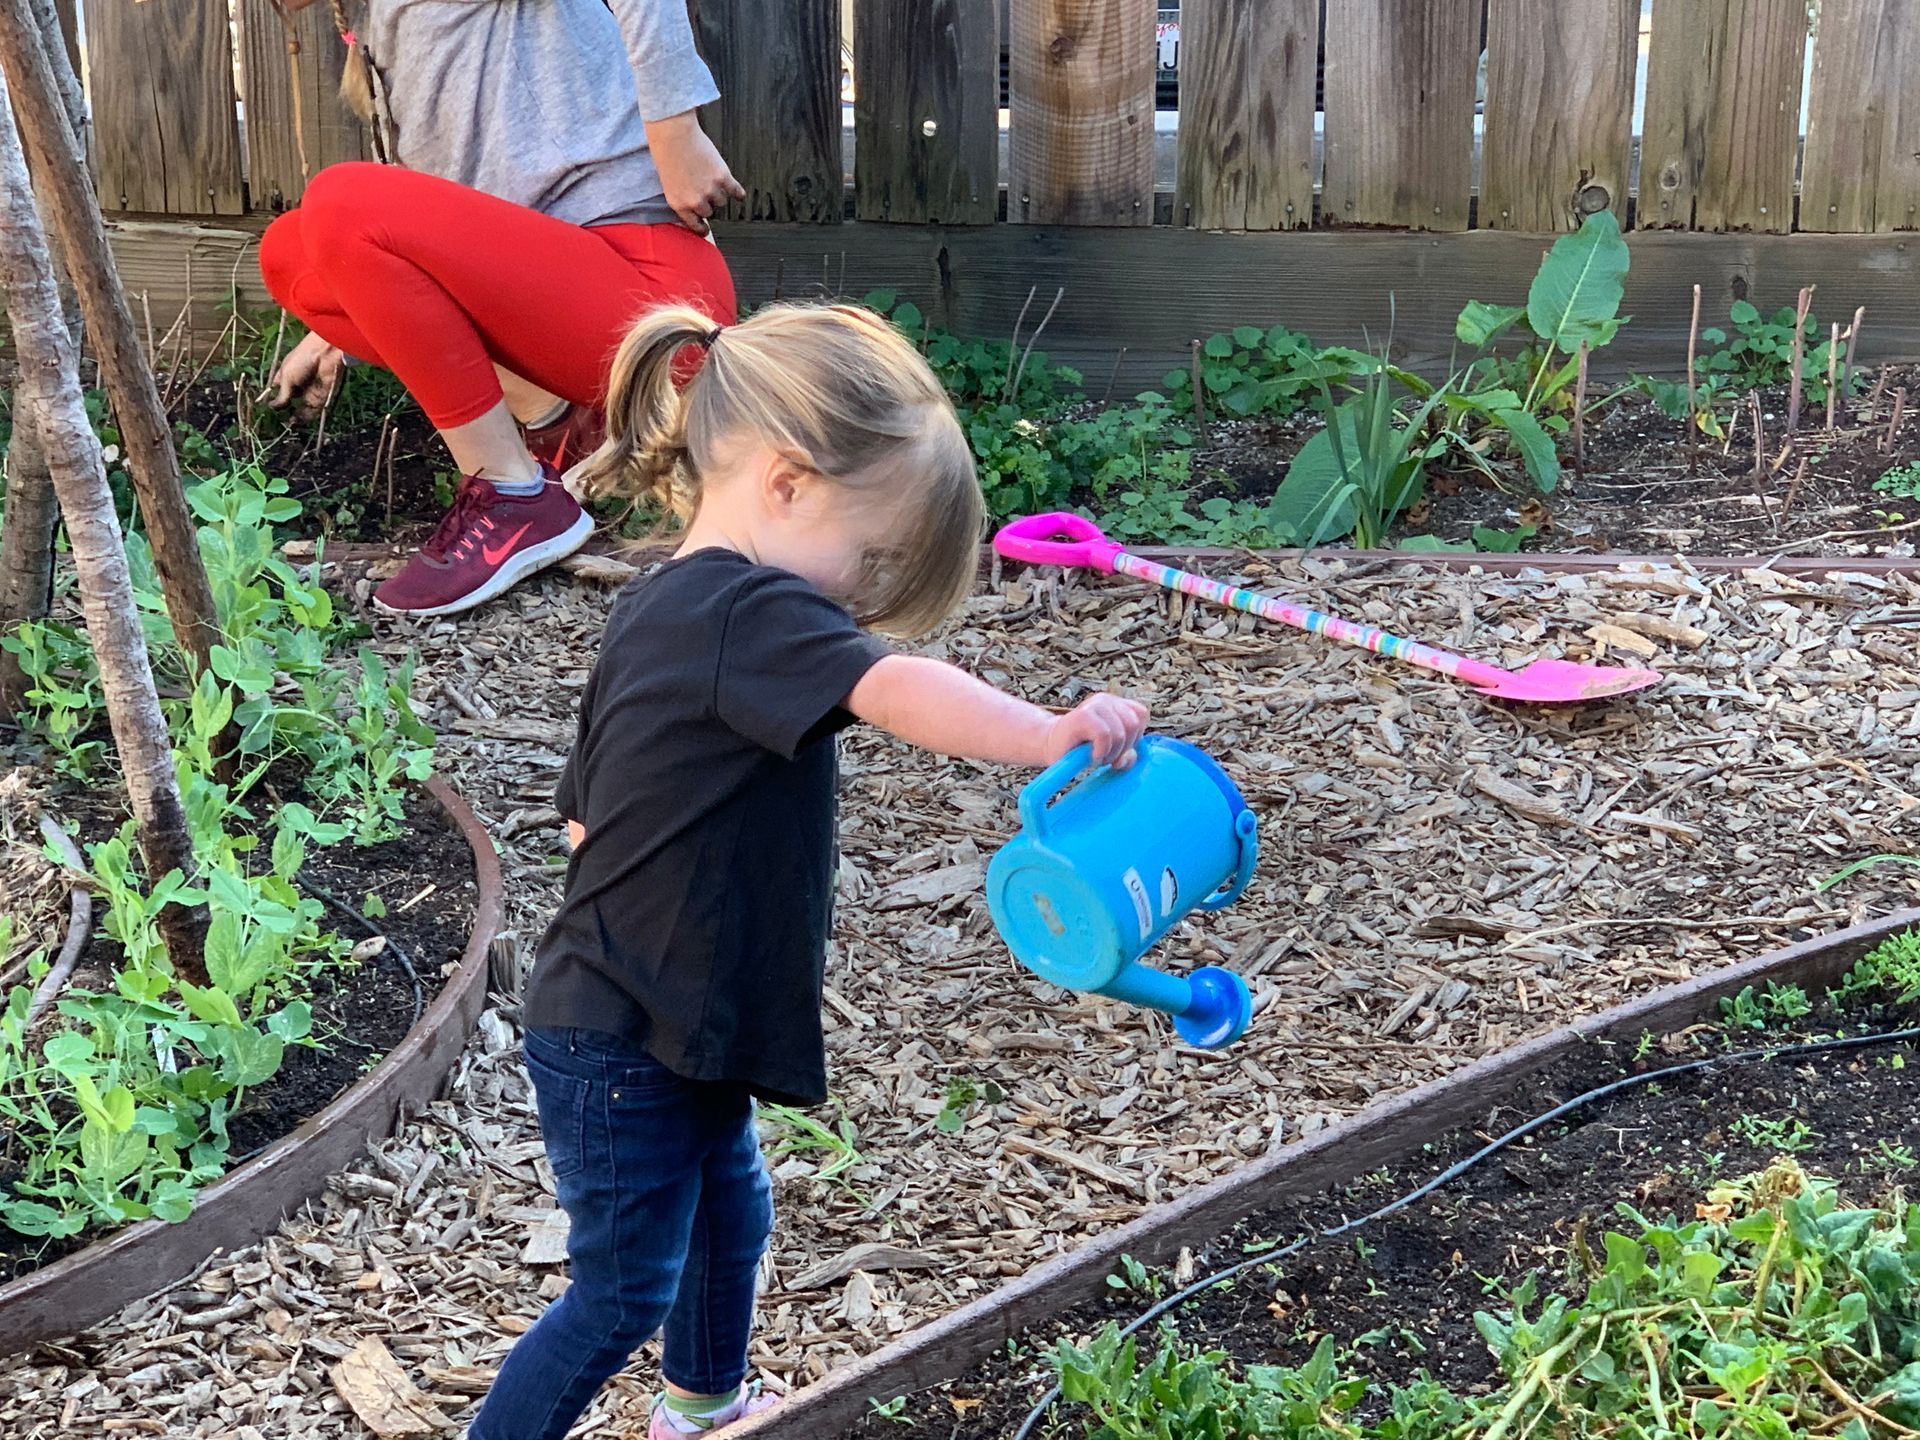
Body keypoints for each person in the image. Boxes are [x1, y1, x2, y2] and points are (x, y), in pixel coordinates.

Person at [469, 301, 1150, 1440]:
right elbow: (894, 686)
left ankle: (701, 1408)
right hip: (625, 1033)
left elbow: (587, 820)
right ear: (785, 483)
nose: (862, 598)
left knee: (729, 1212)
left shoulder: (667, 608)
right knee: (622, 1289)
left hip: (662, 1007)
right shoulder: (752, 604)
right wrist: (1048, 732)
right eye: (872, 556)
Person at [257, 0, 743, 618]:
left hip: (653, 302)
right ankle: (561, 424)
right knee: (291, 253)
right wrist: (341, 320)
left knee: (337, 201)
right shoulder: (378, 18)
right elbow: (433, 234)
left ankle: (512, 496)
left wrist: (675, 132)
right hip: (569, 300)